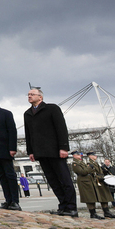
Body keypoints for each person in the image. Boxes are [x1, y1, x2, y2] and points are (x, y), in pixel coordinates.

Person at [24, 87, 78, 217]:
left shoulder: (52, 109)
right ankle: (63, 205)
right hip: (40, 152)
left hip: (55, 151)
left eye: (32, 94)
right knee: (52, 181)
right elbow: (28, 134)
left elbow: (61, 128)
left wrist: (64, 147)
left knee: (64, 180)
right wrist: (30, 151)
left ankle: (71, 207)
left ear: (40, 97)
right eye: (28, 94)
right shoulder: (27, 114)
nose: (29, 96)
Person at [87, 152, 115, 218]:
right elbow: (92, 174)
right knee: (98, 197)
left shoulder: (95, 163)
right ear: (90, 156)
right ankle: (94, 213)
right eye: (94, 155)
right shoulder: (90, 164)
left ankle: (107, 212)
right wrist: (100, 177)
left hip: (101, 181)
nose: (95, 156)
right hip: (97, 182)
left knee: (105, 197)